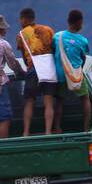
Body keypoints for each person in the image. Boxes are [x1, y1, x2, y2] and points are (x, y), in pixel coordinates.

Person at [15, 7, 56, 136]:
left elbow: (24, 56)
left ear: (23, 19)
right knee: (48, 101)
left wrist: (29, 67)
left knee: (30, 101)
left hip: (33, 68)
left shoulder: (22, 34)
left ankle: (26, 132)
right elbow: (53, 49)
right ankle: (48, 131)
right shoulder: (48, 30)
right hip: (49, 68)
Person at [52, 9, 92, 134]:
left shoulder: (57, 37)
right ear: (79, 22)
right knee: (85, 98)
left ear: (68, 21)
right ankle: (86, 128)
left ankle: (57, 127)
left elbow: (53, 52)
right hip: (75, 75)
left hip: (60, 74)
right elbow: (83, 57)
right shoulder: (83, 40)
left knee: (59, 100)